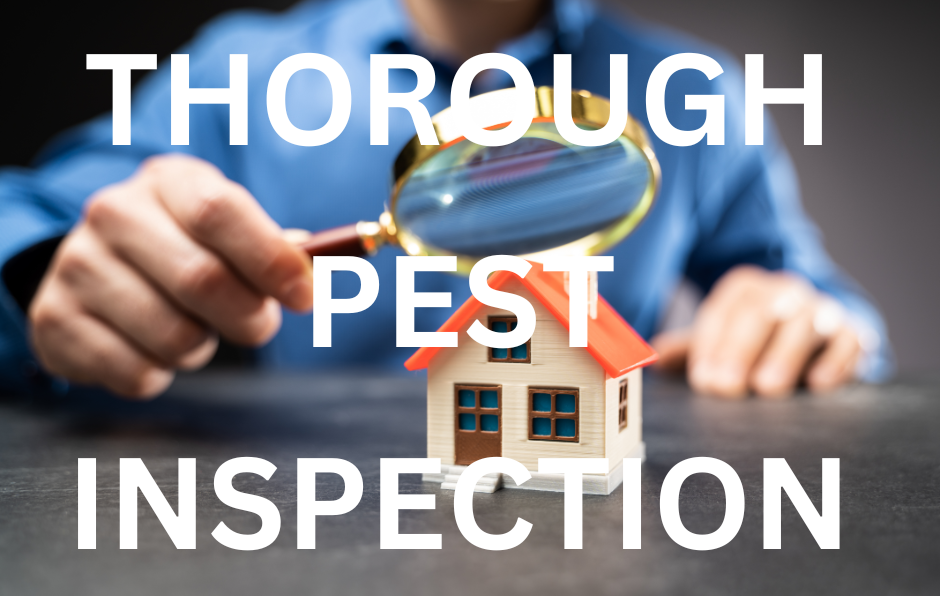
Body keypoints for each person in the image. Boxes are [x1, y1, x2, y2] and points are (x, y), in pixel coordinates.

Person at [0, 0, 892, 400]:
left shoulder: (693, 94)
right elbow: (31, 214)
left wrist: (813, 321)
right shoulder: (236, 69)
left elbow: (819, 300)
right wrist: (42, 271)